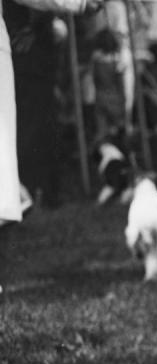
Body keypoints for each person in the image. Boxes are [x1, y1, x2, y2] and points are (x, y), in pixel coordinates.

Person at [1, 0, 93, 231]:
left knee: (36, 127)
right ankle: (31, 190)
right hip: (29, 63)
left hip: (31, 63)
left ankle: (34, 190)